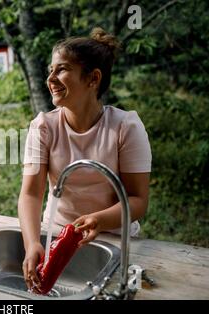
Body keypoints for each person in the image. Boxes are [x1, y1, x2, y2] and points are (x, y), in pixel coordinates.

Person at [18, 27, 151, 293]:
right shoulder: (43, 126)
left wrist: (99, 220)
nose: (51, 78)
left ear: (93, 79)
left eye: (62, 69)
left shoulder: (126, 128)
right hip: (56, 235)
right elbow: (31, 194)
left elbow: (137, 200)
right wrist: (33, 243)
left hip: (114, 239)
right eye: (50, 70)